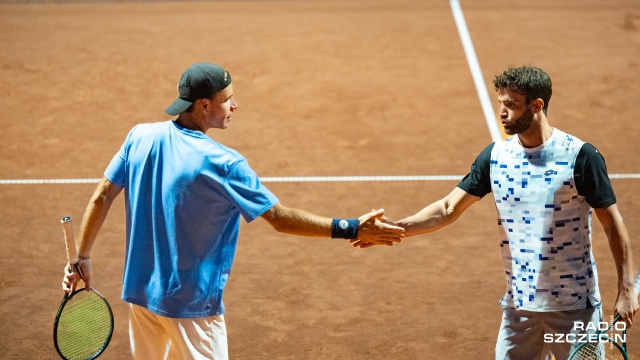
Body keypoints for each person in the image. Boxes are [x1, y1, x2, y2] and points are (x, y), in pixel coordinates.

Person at [61, 62, 404, 360]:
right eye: (228, 99)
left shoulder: (139, 137)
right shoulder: (224, 163)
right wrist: (352, 227)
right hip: (191, 306)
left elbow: (102, 195)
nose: (235, 105)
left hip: (140, 296)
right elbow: (280, 219)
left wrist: (81, 257)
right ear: (204, 105)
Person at [352, 66, 638, 360]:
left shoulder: (580, 156)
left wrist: (625, 289)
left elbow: (612, 223)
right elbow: (448, 208)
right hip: (519, 306)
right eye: (500, 103)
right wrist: (396, 227)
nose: (502, 112)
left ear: (537, 106)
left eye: (511, 104)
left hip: (574, 306)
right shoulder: (496, 157)